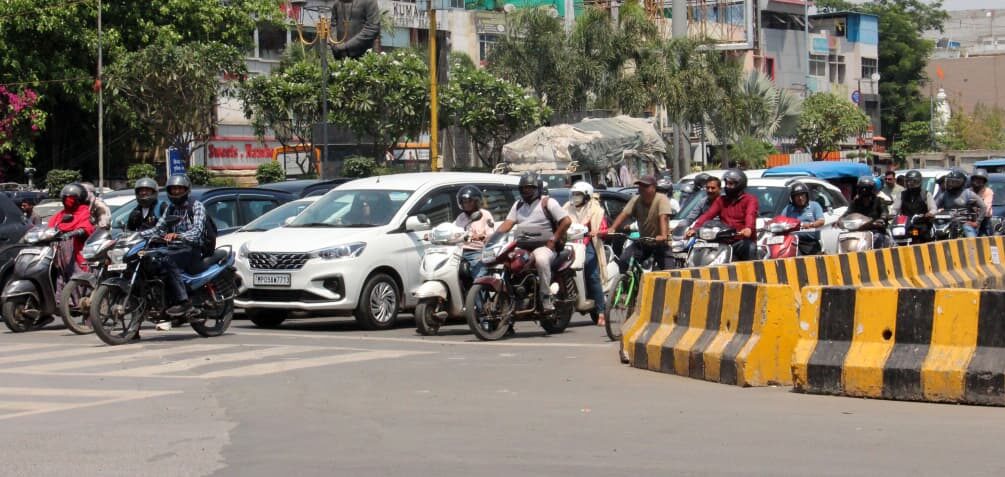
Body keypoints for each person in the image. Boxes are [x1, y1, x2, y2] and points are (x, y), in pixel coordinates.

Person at [492, 172, 572, 312]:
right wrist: (493, 237)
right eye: (523, 188)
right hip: (523, 247)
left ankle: (545, 297)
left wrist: (553, 239)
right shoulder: (518, 205)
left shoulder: (547, 202)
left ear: (538, 188)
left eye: (530, 188)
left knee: (541, 260)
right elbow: (507, 224)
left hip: (545, 246)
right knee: (508, 263)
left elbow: (566, 221)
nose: (526, 190)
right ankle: (511, 300)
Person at [140, 174, 207, 320]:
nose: (176, 192)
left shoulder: (196, 206)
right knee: (149, 260)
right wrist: (137, 236)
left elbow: (197, 231)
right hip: (174, 248)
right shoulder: (170, 208)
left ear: (186, 189)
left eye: (179, 188)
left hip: (192, 249)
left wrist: (179, 236)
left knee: (166, 259)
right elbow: (159, 228)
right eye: (173, 189)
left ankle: (184, 301)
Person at [686, 169, 759, 261]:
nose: (728, 186)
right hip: (723, 242)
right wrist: (695, 228)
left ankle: (751, 274)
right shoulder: (721, 200)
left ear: (740, 184)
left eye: (731, 184)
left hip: (741, 241)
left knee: (750, 247)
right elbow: (708, 215)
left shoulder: (750, 200)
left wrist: (748, 228)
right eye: (727, 183)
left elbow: (750, 215)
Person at [563, 181, 608, 326]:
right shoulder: (566, 208)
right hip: (568, 244)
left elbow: (603, 228)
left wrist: (597, 231)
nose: (575, 197)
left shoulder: (596, 210)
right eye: (574, 194)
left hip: (587, 245)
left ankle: (601, 311)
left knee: (592, 274)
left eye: (578, 195)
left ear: (587, 196)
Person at [609, 175, 674, 270]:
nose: (642, 189)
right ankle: (631, 281)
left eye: (645, 186)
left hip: (660, 243)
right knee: (623, 260)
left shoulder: (661, 199)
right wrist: (612, 228)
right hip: (644, 242)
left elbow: (663, 217)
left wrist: (663, 235)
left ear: (654, 188)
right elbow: (624, 214)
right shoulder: (636, 200)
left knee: (669, 271)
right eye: (640, 186)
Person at [49, 183, 95, 272]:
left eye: (71, 198)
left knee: (76, 272)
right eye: (66, 198)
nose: (68, 201)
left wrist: (73, 233)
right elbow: (50, 226)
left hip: (76, 246)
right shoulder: (61, 214)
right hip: (58, 248)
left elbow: (87, 227)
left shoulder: (85, 211)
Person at [452, 185, 494, 281]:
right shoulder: (461, 217)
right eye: (464, 202)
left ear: (476, 201)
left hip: (477, 251)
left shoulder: (485, 215)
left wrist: (481, 236)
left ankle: (478, 293)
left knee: (479, 278)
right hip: (459, 252)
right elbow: (452, 231)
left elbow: (490, 234)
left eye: (469, 201)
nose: (467, 204)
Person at [935, 169, 985, 238]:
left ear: (962, 183)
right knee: (935, 233)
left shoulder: (968, 193)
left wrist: (977, 223)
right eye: (950, 182)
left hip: (964, 223)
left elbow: (983, 207)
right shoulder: (944, 195)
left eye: (954, 182)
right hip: (947, 223)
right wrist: (931, 213)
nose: (951, 184)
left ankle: (974, 247)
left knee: (971, 237)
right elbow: (934, 207)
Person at [845, 175, 892, 248]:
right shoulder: (855, 203)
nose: (864, 191)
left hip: (875, 230)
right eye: (862, 189)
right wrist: (840, 220)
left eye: (866, 189)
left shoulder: (879, 201)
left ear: (872, 189)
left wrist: (882, 218)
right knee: (845, 238)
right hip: (858, 231)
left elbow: (884, 211)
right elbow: (848, 213)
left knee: (878, 238)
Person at [779, 182, 824, 255]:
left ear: (806, 195)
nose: (800, 198)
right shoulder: (788, 209)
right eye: (797, 196)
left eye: (802, 195)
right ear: (793, 198)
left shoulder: (814, 206)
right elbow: (780, 221)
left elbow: (821, 221)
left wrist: (810, 225)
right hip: (792, 242)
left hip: (811, 242)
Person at [891, 170, 937, 241]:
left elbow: (933, 208)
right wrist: (892, 215)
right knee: (894, 234)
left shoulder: (925, 194)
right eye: (908, 181)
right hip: (905, 224)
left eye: (913, 181)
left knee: (923, 234)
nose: (910, 183)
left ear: (919, 181)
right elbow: (895, 209)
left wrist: (929, 213)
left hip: (921, 222)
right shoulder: (901, 194)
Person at [971, 169, 995, 236]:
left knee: (988, 236)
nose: (977, 182)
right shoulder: (968, 191)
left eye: (980, 180)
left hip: (984, 220)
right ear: (972, 180)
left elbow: (986, 207)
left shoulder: (988, 191)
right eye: (976, 179)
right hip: (969, 219)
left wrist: (978, 210)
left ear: (984, 182)